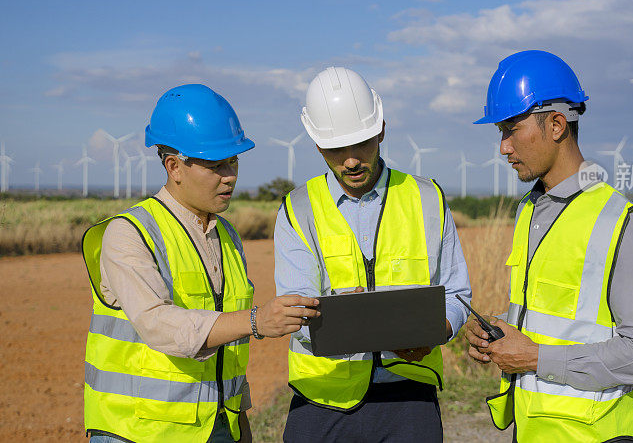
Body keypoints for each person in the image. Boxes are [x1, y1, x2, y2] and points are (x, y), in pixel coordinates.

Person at [82, 84, 319, 443]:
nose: (230, 176)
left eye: (234, 161)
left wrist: (239, 422)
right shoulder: (129, 233)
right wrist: (257, 320)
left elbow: (229, 349)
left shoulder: (226, 235)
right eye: (216, 165)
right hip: (137, 431)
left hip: (215, 427)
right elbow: (159, 324)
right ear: (174, 166)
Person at [466, 51, 633, 442]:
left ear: (557, 125)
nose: (503, 148)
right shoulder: (529, 210)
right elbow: (554, 321)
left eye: (511, 129)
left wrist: (535, 358)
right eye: (500, 133)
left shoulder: (620, 222)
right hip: (532, 430)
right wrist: (500, 337)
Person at [274, 67, 472, 442]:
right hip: (322, 396)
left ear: (381, 129)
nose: (350, 160)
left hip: (410, 395)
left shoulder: (428, 198)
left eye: (361, 143)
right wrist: (345, 320)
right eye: (335, 148)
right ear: (317, 144)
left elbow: (457, 293)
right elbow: (294, 310)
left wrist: (438, 331)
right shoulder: (297, 208)